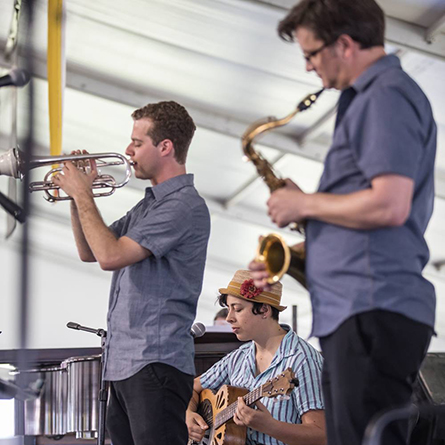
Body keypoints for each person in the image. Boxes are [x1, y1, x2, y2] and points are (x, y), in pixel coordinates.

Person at [249, 1, 436, 444]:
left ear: (345, 44)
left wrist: (306, 204)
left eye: (311, 55)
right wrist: (294, 252)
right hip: (357, 308)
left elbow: (390, 205)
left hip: (371, 306)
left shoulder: (385, 94)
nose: (310, 67)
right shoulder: (367, 99)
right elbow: (368, 217)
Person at [53, 101, 211, 445]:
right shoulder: (149, 205)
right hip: (126, 363)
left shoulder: (183, 204)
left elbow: (111, 256)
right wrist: (76, 197)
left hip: (156, 362)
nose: (127, 151)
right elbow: (89, 251)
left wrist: (82, 193)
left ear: (165, 147)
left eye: (137, 143)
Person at [186, 270, 326, 445]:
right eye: (228, 309)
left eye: (237, 309)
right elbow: (192, 387)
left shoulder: (302, 360)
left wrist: (270, 426)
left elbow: (321, 436)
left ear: (264, 310)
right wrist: (189, 414)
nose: (229, 318)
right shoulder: (238, 357)